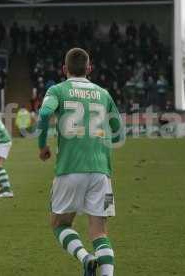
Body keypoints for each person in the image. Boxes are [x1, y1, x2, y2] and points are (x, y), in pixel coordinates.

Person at [37, 48, 124, 276]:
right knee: (99, 232)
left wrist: (42, 146)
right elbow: (118, 133)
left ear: (64, 69)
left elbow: (45, 114)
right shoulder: (103, 93)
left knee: (60, 224)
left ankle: (85, 258)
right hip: (101, 171)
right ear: (89, 68)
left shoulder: (57, 90)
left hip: (70, 169)